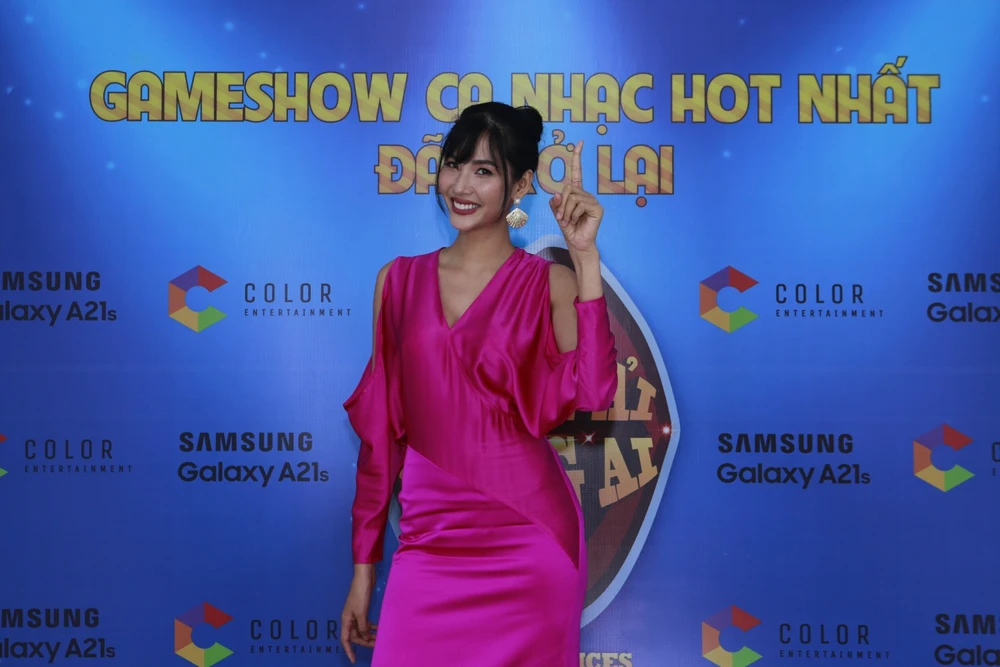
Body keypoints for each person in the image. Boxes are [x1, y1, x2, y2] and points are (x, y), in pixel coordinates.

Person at [339, 101, 618, 666]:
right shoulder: (397, 281)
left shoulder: (550, 284)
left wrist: (586, 259)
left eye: (484, 171)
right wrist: (364, 569)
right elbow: (379, 439)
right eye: (453, 164)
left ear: (520, 186)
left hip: (528, 542)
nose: (461, 186)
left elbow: (594, 391)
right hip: (427, 544)